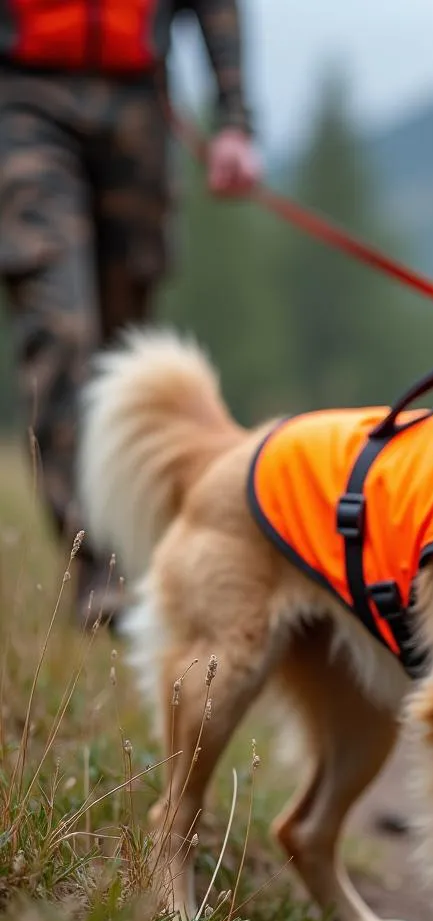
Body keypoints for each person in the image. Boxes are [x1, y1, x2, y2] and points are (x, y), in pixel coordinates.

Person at [0, 0, 261, 626]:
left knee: (124, 355)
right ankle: (99, 571)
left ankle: (140, 549)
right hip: (22, 98)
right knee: (62, 333)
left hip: (138, 106)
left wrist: (233, 120)